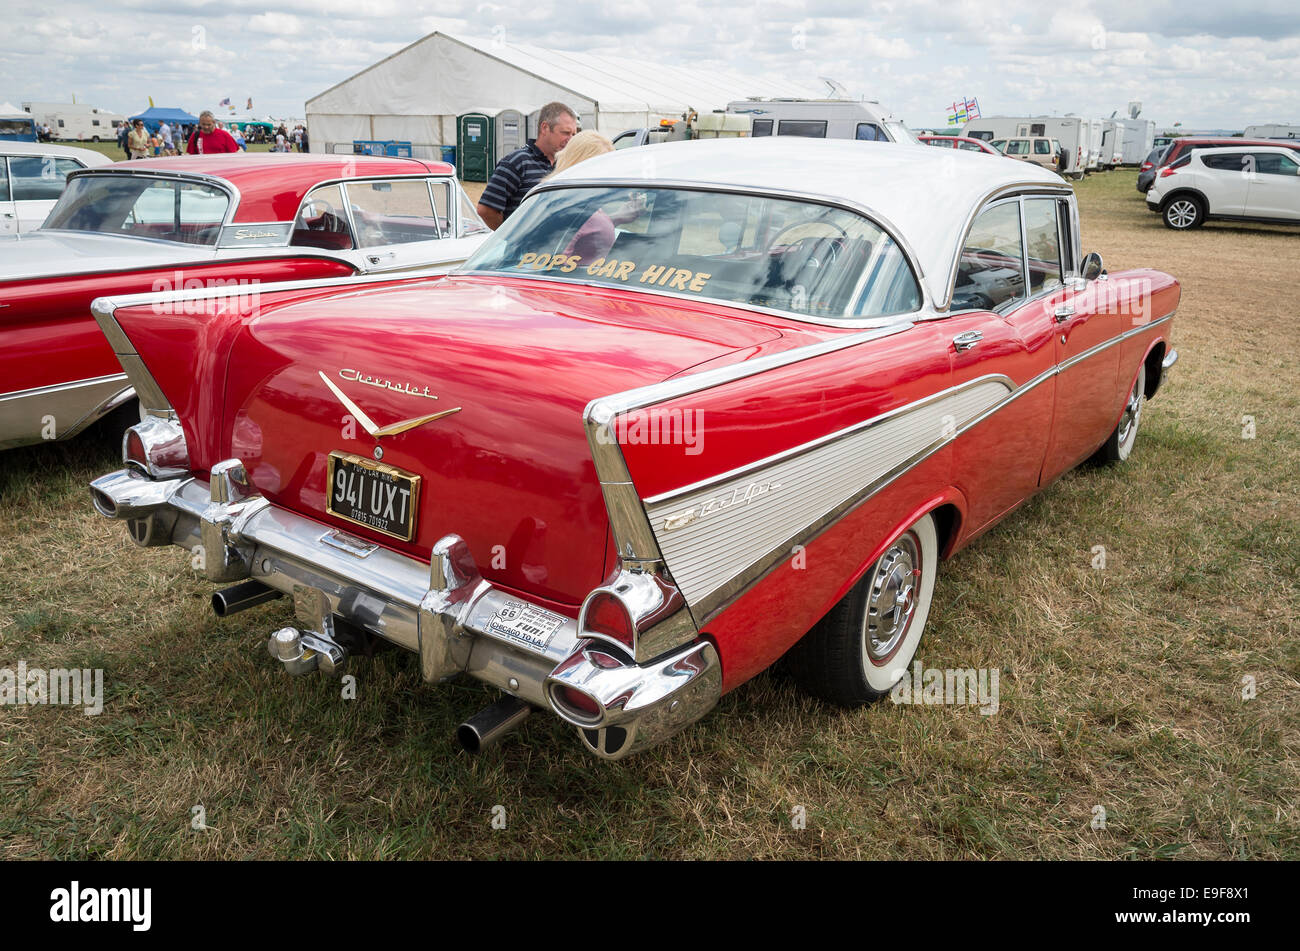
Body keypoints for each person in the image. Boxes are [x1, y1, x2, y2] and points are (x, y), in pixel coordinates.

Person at [476, 101, 577, 229]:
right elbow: (486, 210)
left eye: (574, 134)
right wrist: (512, 236)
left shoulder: (566, 164)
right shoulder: (516, 162)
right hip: (525, 249)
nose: (571, 139)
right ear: (545, 128)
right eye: (565, 133)